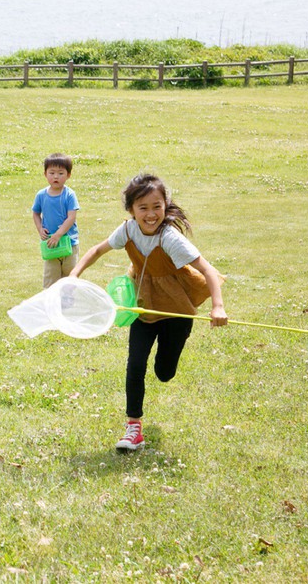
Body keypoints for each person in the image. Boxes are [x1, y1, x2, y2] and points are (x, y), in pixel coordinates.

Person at [70, 173, 226, 451]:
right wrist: (74, 274)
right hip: (143, 305)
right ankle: (133, 428)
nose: (151, 214)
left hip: (176, 311)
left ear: (165, 206)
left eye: (157, 206)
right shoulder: (128, 230)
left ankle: (165, 366)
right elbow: (97, 250)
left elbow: (207, 269)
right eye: (143, 208)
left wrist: (218, 306)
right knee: (135, 363)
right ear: (131, 210)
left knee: (164, 372)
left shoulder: (170, 238)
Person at [32, 153, 80, 289]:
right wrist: (40, 229)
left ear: (68, 175)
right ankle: (51, 306)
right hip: (50, 244)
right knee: (51, 279)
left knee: (70, 278)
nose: (56, 177)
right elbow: (35, 213)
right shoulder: (41, 195)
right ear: (45, 174)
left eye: (60, 173)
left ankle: (69, 307)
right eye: (52, 173)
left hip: (69, 243)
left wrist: (58, 235)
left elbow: (71, 217)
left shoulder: (69, 195)